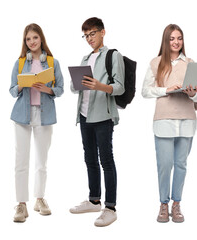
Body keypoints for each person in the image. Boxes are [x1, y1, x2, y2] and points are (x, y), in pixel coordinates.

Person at [142, 24, 197, 223]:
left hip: (186, 119)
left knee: (181, 164)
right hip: (164, 120)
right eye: (172, 39)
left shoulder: (191, 63)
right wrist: (166, 90)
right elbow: (145, 91)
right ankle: (163, 204)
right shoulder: (156, 62)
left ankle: (177, 204)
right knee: (164, 165)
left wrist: (192, 93)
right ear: (165, 41)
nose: (176, 42)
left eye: (179, 38)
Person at [69, 17, 125, 227]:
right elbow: (76, 88)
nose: (89, 38)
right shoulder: (85, 58)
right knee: (89, 158)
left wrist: (99, 85)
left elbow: (119, 87)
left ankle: (110, 207)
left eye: (92, 33)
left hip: (103, 116)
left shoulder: (113, 55)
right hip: (84, 115)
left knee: (106, 160)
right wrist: (78, 84)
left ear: (103, 32)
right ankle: (94, 200)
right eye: (86, 35)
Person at [9, 23, 64, 222]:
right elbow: (12, 89)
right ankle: (21, 204)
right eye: (28, 39)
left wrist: (46, 89)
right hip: (22, 116)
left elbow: (60, 89)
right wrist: (22, 86)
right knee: (21, 161)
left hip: (44, 115)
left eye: (35, 38)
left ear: (41, 38)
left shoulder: (52, 62)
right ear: (25, 42)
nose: (32, 42)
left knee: (42, 162)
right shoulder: (20, 62)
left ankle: (39, 199)